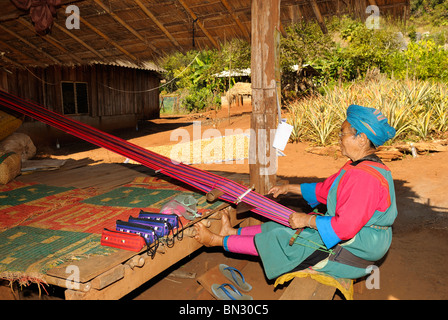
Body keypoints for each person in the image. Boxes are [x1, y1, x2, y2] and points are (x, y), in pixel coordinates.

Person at [194, 104, 398, 280]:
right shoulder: (358, 167)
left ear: (361, 138)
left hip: (355, 253)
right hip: (354, 241)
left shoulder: (365, 178)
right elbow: (327, 191)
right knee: (278, 226)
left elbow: (344, 228)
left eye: (342, 133)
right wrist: (288, 188)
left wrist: (306, 221)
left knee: (283, 240)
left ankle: (216, 241)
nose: (339, 138)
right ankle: (231, 233)